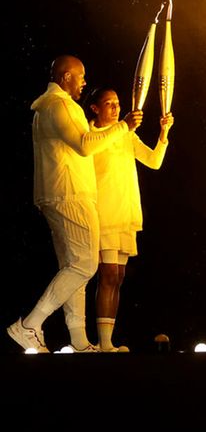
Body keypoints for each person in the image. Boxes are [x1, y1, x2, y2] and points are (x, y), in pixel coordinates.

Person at [8, 56, 142, 353]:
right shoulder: (60, 105)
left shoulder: (46, 108)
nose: (84, 81)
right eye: (81, 76)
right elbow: (85, 144)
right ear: (67, 76)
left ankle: (79, 340)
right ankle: (30, 325)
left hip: (56, 193)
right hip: (70, 195)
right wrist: (123, 127)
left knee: (73, 267)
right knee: (84, 265)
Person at [86, 87, 173, 351]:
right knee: (108, 274)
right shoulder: (90, 136)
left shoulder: (126, 135)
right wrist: (124, 126)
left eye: (117, 102)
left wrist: (163, 132)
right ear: (95, 108)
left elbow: (154, 161)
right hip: (104, 212)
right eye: (108, 103)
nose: (115, 107)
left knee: (119, 276)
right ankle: (103, 344)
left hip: (126, 212)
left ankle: (107, 343)